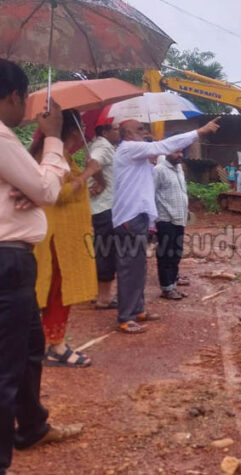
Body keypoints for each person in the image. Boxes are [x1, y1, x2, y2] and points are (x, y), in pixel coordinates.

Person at [0, 59, 82, 475]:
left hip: (14, 261)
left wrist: (31, 183)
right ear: (15, 96)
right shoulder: (1, 136)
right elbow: (49, 189)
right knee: (7, 367)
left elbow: (33, 186)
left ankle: (31, 425)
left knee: (30, 348)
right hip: (7, 261)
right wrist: (51, 140)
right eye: (24, 101)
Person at [112, 118, 221, 334]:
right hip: (129, 218)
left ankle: (137, 309)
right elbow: (162, 146)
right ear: (128, 134)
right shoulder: (128, 149)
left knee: (139, 268)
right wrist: (198, 131)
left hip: (138, 216)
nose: (145, 131)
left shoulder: (137, 155)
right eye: (140, 129)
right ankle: (125, 317)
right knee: (129, 270)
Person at [30, 110, 101, 368]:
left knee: (55, 293)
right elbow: (58, 194)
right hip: (56, 241)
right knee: (56, 292)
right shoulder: (54, 155)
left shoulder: (63, 155)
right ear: (73, 130)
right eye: (81, 123)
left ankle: (52, 342)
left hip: (63, 237)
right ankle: (56, 346)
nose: (85, 127)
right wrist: (88, 173)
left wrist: (88, 180)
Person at [88, 123, 120, 309]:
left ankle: (100, 294)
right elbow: (92, 163)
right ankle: (103, 298)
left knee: (103, 250)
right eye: (115, 129)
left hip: (105, 207)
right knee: (106, 252)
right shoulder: (102, 146)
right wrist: (100, 182)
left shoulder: (106, 146)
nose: (118, 132)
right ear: (104, 132)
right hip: (104, 208)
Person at [154, 151, 189, 300]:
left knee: (176, 254)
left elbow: (182, 192)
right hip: (165, 219)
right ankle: (166, 288)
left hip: (179, 219)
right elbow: (151, 193)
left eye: (181, 152)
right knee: (165, 255)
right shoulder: (159, 170)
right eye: (176, 152)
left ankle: (173, 285)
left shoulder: (179, 169)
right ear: (167, 152)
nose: (180, 155)